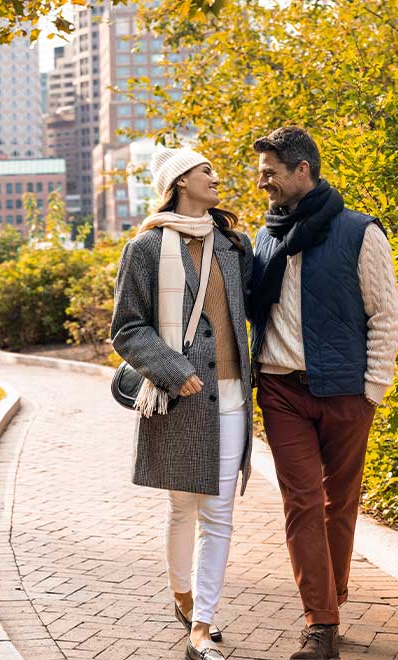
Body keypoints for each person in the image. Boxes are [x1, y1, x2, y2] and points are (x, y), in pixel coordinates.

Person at [249, 126, 398, 660]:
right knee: (302, 502)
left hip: (345, 394)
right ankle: (320, 623)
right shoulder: (265, 236)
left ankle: (331, 597)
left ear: (302, 170)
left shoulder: (360, 232)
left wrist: (372, 392)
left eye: (271, 171)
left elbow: (387, 316)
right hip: (280, 389)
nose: (262, 180)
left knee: (341, 504)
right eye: (260, 170)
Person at [111, 147, 254, 660]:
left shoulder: (234, 247)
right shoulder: (146, 248)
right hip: (180, 398)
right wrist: (175, 371)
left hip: (233, 396)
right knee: (182, 509)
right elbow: (126, 329)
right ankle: (183, 595)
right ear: (179, 183)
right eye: (205, 171)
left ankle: (202, 624)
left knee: (219, 515)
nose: (216, 178)